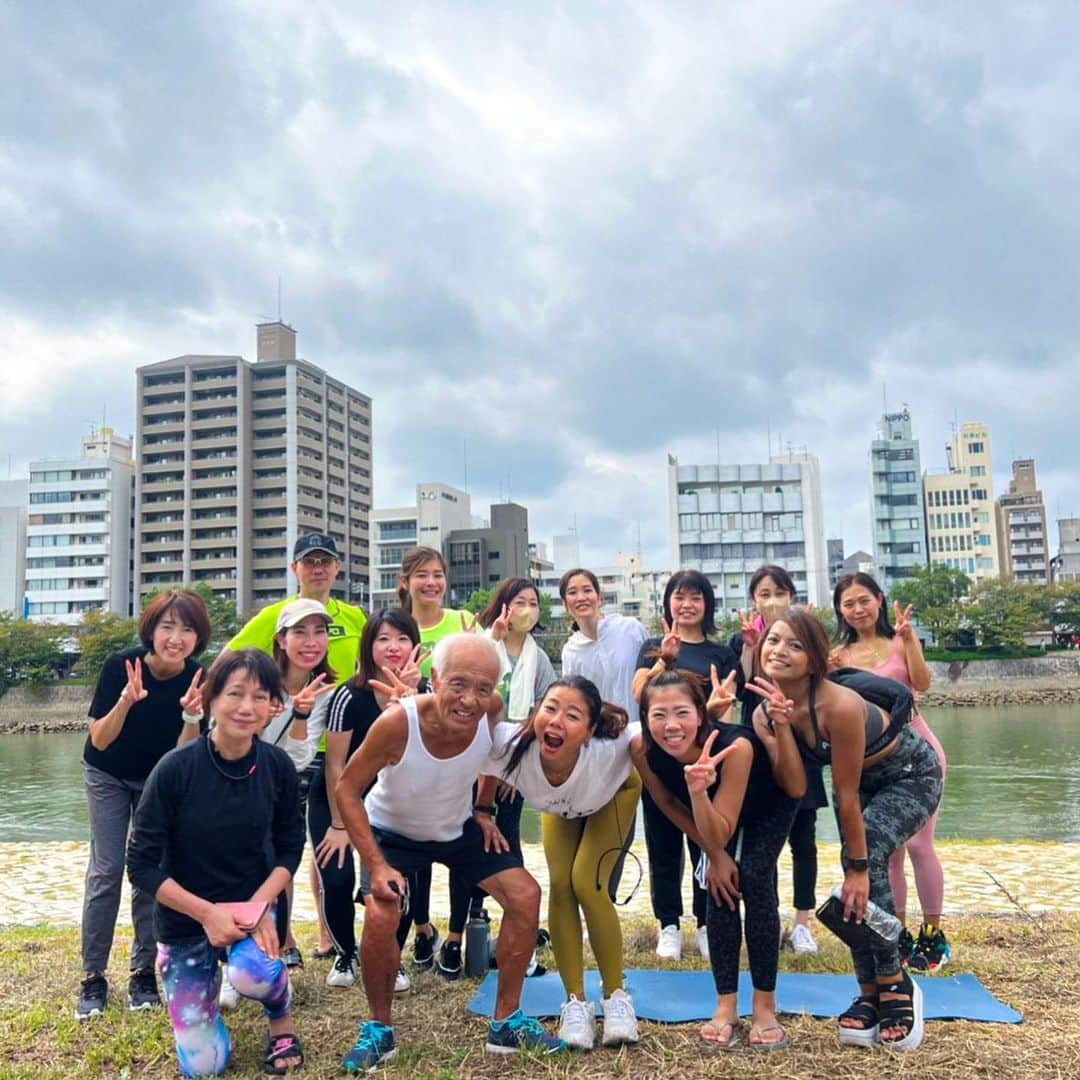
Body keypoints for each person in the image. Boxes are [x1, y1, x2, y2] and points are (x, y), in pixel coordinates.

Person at [334, 634, 564, 1071]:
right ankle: (380, 1030)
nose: (469, 701)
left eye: (483, 688)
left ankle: (506, 1023)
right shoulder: (398, 724)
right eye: (457, 684)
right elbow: (346, 787)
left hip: (457, 829)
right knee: (383, 913)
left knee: (525, 896)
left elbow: (495, 756)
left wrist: (482, 808)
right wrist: (377, 863)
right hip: (392, 834)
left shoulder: (491, 710)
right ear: (434, 679)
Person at [750, 608, 942, 1050]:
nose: (779, 651)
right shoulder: (766, 713)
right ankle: (869, 991)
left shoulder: (838, 705)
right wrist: (779, 727)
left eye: (795, 645)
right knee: (854, 873)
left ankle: (896, 980)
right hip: (857, 787)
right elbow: (797, 785)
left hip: (910, 774)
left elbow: (846, 792)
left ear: (816, 660)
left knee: (865, 855)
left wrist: (858, 867)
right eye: (774, 641)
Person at [126, 650, 306, 1077]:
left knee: (253, 973)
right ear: (210, 699)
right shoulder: (175, 769)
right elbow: (142, 863)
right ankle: (203, 1009)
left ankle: (280, 1018)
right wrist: (207, 914)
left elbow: (290, 847)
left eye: (260, 697)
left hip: (253, 908)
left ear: (272, 707)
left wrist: (260, 906)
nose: (246, 707)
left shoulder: (277, 766)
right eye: (235, 694)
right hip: (186, 917)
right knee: (206, 1066)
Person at [632, 667, 804, 1051]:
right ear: (645, 719)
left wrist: (709, 819)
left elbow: (725, 828)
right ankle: (726, 1006)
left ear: (701, 714)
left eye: (681, 713)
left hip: (768, 806)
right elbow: (665, 801)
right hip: (710, 813)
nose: (670, 726)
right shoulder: (641, 749)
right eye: (658, 715)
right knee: (718, 883)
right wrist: (715, 856)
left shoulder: (736, 747)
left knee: (754, 879)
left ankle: (764, 1006)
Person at [224, 532, 367, 963]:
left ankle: (328, 935)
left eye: (326, 561)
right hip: (283, 747)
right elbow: (230, 659)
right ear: (295, 570)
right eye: (309, 562)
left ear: (338, 568)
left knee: (326, 843)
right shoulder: (276, 615)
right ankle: (282, 941)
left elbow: (376, 662)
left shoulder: (355, 616)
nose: (318, 569)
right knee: (279, 846)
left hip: (340, 745)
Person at [488, 675, 642, 1050]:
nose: (556, 721)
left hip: (613, 794)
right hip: (564, 804)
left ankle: (617, 998)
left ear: (590, 731)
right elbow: (478, 746)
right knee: (560, 886)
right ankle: (576, 1003)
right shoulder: (516, 746)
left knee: (586, 883)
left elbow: (654, 726)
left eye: (572, 715)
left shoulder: (609, 749)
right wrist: (480, 808)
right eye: (550, 708)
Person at [77, 589, 210, 1021]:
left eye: (187, 629)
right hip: (108, 774)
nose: (176, 637)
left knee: (149, 871)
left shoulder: (198, 678)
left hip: (158, 781)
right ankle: (93, 977)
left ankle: (143, 973)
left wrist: (192, 717)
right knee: (108, 868)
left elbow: (182, 758)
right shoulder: (122, 665)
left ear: (198, 637)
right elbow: (99, 739)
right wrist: (126, 700)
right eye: (167, 626)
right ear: (151, 629)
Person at [216, 599, 336, 1008]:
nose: (310, 642)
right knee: (232, 866)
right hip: (235, 780)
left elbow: (301, 759)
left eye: (319, 632)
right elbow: (229, 733)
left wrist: (301, 714)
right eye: (299, 633)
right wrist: (272, 713)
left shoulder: (325, 690)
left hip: (284, 786)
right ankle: (228, 965)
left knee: (279, 866)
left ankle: (272, 957)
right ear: (281, 640)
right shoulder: (256, 680)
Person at [832, 572, 950, 971]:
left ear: (879, 600)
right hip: (874, 760)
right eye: (848, 603)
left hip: (919, 752)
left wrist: (911, 640)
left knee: (920, 847)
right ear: (840, 611)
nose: (857, 609)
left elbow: (922, 683)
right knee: (891, 854)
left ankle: (932, 935)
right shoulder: (840, 656)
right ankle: (897, 935)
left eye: (864, 600)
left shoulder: (900, 640)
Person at [443, 579, 557, 965]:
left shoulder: (538, 657)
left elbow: (542, 708)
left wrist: (511, 769)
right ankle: (458, 933)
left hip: (514, 761)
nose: (527, 608)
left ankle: (516, 923)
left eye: (533, 603)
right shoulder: (484, 646)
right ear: (503, 606)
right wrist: (493, 638)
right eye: (519, 601)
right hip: (469, 759)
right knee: (466, 841)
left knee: (506, 840)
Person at [631, 569, 741, 962]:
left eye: (696, 597)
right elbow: (641, 693)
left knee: (704, 844)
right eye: (680, 596)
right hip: (659, 758)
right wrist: (667, 658)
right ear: (668, 603)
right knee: (663, 846)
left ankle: (707, 923)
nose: (687, 604)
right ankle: (669, 925)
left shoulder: (721, 653)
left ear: (707, 604)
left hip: (702, 761)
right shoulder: (652, 646)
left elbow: (727, 709)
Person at [316, 609, 427, 991]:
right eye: (383, 639)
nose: (393, 647)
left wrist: (410, 701)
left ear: (415, 645)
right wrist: (340, 824)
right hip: (342, 798)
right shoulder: (350, 694)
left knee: (402, 881)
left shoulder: (427, 694)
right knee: (336, 873)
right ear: (369, 647)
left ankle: (392, 958)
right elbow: (334, 765)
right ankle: (346, 952)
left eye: (401, 638)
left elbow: (430, 753)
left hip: (397, 803)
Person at [728, 564, 827, 956]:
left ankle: (802, 924)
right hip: (758, 741)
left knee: (804, 838)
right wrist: (752, 645)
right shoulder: (745, 640)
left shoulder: (804, 633)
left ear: (792, 596)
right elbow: (746, 687)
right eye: (764, 593)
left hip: (801, 739)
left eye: (779, 592)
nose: (772, 600)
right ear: (753, 599)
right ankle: (762, 914)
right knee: (759, 840)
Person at [395, 545, 476, 976]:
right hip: (411, 749)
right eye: (422, 574)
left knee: (459, 844)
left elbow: (485, 676)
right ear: (405, 581)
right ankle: (423, 928)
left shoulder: (463, 624)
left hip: (459, 747)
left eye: (438, 574)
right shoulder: (397, 628)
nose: (432, 583)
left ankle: (457, 937)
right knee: (418, 847)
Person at [560, 568, 648, 721]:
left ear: (599, 598)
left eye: (587, 590)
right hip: (603, 738)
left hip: (641, 730)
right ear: (565, 605)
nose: (581, 598)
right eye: (572, 592)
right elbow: (575, 699)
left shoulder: (631, 629)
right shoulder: (570, 651)